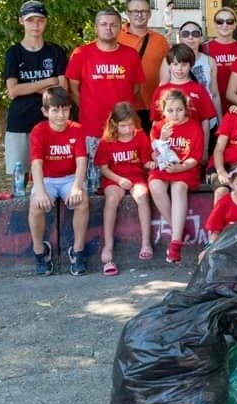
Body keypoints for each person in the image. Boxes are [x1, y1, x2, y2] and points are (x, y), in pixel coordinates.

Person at [65, 8, 146, 185]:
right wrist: (88, 107)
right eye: (104, 24)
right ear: (95, 28)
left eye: (113, 25)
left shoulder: (131, 54)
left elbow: (137, 88)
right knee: (92, 179)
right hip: (92, 126)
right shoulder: (81, 53)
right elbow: (73, 88)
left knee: (123, 178)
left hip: (123, 128)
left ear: (119, 28)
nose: (108, 28)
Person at [3, 0, 67, 178]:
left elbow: (62, 89)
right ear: (21, 21)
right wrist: (48, 81)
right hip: (20, 122)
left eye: (40, 20)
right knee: (19, 179)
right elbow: (13, 91)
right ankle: (20, 207)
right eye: (31, 20)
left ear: (46, 22)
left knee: (51, 177)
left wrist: (28, 87)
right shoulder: (14, 53)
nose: (36, 25)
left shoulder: (56, 52)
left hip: (51, 122)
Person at [27, 87, 88, 276]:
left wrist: (77, 187)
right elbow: (36, 165)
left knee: (82, 201)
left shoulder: (77, 129)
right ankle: (40, 251)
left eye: (65, 109)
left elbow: (81, 162)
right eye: (55, 110)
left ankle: (77, 252)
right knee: (36, 205)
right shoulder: (38, 131)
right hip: (47, 179)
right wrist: (40, 191)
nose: (61, 115)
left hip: (70, 178)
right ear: (45, 112)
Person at [95, 103, 153, 275]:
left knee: (142, 196)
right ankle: (108, 245)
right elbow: (104, 168)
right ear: (114, 124)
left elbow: (145, 161)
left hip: (136, 177)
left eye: (130, 125)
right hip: (115, 178)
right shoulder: (107, 141)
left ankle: (146, 242)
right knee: (112, 199)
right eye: (123, 126)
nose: (128, 130)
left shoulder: (140, 137)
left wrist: (155, 161)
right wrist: (119, 180)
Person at [148, 89, 205, 264]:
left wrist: (180, 167)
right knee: (155, 186)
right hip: (164, 167)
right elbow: (153, 156)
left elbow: (195, 158)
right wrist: (163, 139)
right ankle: (177, 231)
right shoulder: (158, 127)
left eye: (179, 110)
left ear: (185, 108)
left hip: (185, 168)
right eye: (170, 110)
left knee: (178, 187)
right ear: (163, 111)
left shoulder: (194, 127)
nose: (175, 114)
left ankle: (175, 244)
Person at [151, 45, 216, 158]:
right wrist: (155, 151)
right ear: (169, 65)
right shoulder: (160, 91)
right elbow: (155, 123)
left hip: (191, 149)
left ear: (191, 65)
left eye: (184, 64)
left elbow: (205, 121)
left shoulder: (199, 90)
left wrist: (205, 149)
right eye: (175, 64)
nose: (179, 69)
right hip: (168, 149)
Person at [117, 0, 168, 132]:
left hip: (153, 105)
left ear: (150, 14)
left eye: (144, 11)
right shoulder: (115, 37)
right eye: (135, 11)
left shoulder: (160, 41)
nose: (139, 15)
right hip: (124, 105)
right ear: (128, 13)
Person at [160, 21, 223, 123]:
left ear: (201, 38)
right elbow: (163, 91)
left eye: (195, 34)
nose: (190, 37)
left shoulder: (209, 61)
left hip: (207, 120)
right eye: (185, 34)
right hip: (176, 120)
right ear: (179, 37)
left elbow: (214, 94)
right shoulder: (168, 60)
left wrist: (220, 121)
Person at [203, 6, 237, 101]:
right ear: (215, 24)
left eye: (229, 21)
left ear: (235, 25)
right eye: (220, 21)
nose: (224, 25)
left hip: (236, 104)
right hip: (212, 102)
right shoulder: (205, 48)